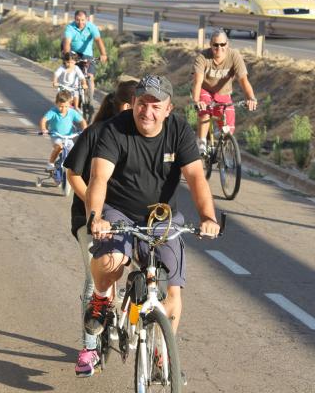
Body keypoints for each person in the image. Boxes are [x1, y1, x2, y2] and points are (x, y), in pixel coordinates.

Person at [85, 75, 221, 364]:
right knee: (111, 262)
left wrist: (208, 217)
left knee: (173, 291)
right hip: (119, 212)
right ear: (133, 102)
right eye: (142, 103)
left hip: (162, 216)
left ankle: (163, 355)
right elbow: (99, 178)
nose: (148, 111)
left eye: (156, 105)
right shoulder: (114, 131)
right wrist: (97, 218)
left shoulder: (179, 131)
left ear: (168, 109)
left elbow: (196, 177)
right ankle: (99, 299)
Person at [64, 80, 138, 377]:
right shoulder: (96, 133)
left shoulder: (142, 136)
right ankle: (88, 348)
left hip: (127, 218)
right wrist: (96, 209)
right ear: (122, 106)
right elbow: (73, 174)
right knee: (95, 276)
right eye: (135, 105)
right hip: (89, 219)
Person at [191, 29, 257, 154]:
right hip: (205, 90)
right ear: (210, 44)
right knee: (205, 110)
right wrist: (197, 101)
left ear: (228, 44)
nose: (219, 48)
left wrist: (251, 98)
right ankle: (202, 142)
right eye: (215, 45)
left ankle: (223, 145)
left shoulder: (234, 56)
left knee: (228, 125)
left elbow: (243, 80)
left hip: (223, 93)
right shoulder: (203, 57)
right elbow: (197, 82)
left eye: (222, 44)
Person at [39, 90, 88, 171]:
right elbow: (43, 120)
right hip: (56, 136)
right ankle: (50, 163)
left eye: (66, 106)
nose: (63, 109)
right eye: (61, 106)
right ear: (56, 103)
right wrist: (44, 129)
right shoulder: (53, 112)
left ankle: (69, 166)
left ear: (70, 104)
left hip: (68, 137)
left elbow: (82, 121)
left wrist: (85, 129)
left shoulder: (72, 112)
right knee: (59, 147)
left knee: (73, 152)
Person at [62, 10, 108, 95]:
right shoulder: (70, 27)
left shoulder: (91, 27)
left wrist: (103, 54)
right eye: (77, 20)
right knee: (71, 76)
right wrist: (68, 56)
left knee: (90, 76)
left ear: (86, 19)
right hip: (73, 54)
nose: (80, 22)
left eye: (83, 20)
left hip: (87, 55)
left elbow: (98, 40)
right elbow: (67, 42)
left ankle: (89, 100)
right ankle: (70, 97)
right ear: (74, 19)